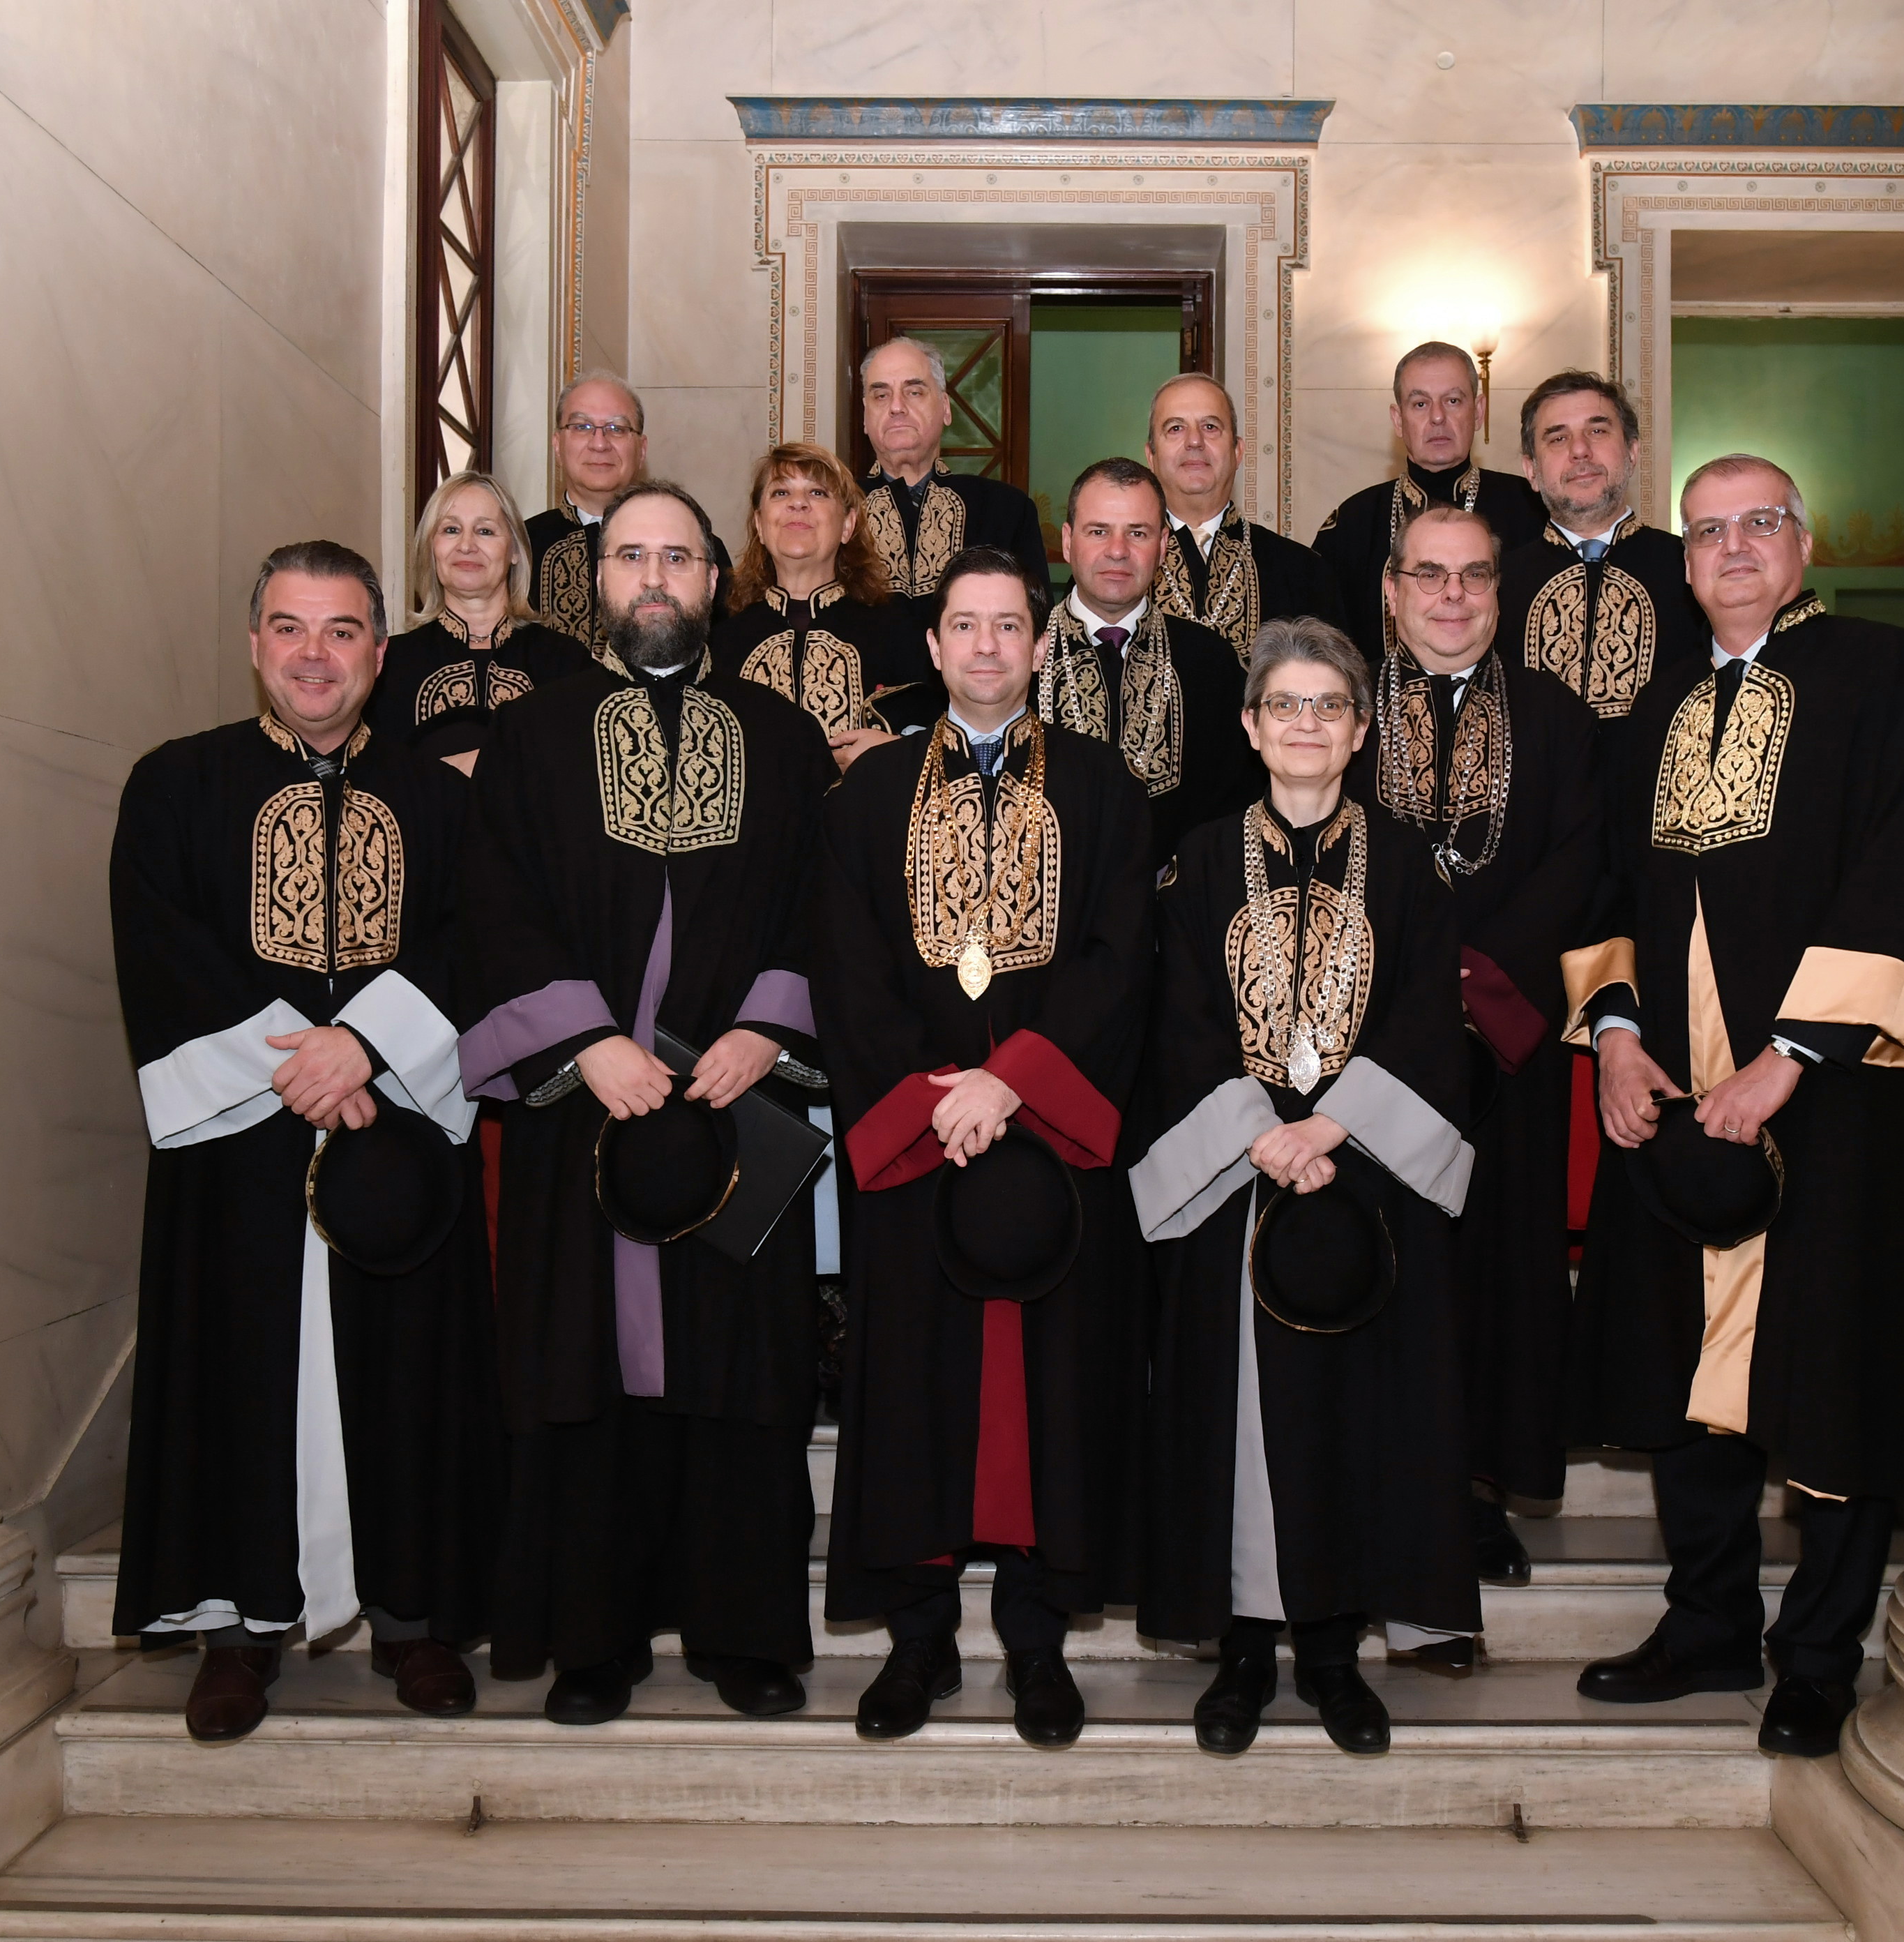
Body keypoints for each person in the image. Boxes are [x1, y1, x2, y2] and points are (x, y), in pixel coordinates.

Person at [1562, 453, 1904, 1759]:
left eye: (1759, 524)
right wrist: (1616, 1037)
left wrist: (1792, 1052)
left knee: (1833, 1372)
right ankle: (1707, 1622)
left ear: (1804, 540)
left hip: (1834, 1095)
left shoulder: (1887, 678)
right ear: (1682, 561)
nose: (1733, 548)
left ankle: (1821, 1656)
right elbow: (1604, 885)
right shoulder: (1651, 708)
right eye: (1708, 531)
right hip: (1676, 1092)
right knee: (1683, 1368)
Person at [455, 482, 837, 1728]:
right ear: (597, 579)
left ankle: (745, 1632)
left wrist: (765, 1027)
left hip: (738, 1102)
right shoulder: (532, 735)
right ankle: (595, 1638)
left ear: (716, 577)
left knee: (745, 1370)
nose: (656, 576)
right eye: (632, 556)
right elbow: (493, 901)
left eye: (678, 555)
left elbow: (825, 902)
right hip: (587, 1110)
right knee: (586, 1371)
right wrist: (586, 1041)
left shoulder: (784, 737)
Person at [108, 540, 501, 1742]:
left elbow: (480, 939)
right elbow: (160, 943)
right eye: (289, 628)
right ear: (254, 644)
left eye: (340, 632)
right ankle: (239, 1633)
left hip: (398, 1141)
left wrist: (367, 1046)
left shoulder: (446, 802)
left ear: (380, 653)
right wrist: (303, 1061)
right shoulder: (175, 784)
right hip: (240, 1147)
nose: (314, 655)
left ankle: (414, 1618)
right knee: (234, 1369)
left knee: (413, 1372)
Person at [812, 545, 1156, 1751]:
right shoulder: (866, 797)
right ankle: (917, 1639)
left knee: (1053, 1390)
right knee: (912, 1387)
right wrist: (934, 1098)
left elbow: (1121, 958)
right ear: (933, 645)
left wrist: (1013, 1083)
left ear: (1042, 644)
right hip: (919, 1150)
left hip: (1050, 1146)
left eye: (1010, 625)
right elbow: (846, 965)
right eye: (965, 625)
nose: (988, 646)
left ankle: (1037, 1639)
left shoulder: (1107, 789)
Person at [1132, 617, 1481, 1758]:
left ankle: (1332, 1654)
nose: (1306, 724)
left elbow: (1429, 1017)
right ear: (1249, 725)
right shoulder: (1191, 864)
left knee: (1358, 1416)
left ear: (1361, 728)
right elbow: (1178, 1023)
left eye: (1329, 706)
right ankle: (1242, 1653)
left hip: (1363, 1186)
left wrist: (1332, 1125)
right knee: (1235, 1424)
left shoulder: (1414, 869)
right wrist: (1262, 1135)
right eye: (1284, 704)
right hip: (1236, 1187)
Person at [1349, 505, 1604, 1590]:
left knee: (1496, 1277)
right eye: (1429, 575)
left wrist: (1474, 987)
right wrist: (1408, 994)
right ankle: (1369, 1487)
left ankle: (1478, 1495)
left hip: (1510, 1051)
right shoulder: (1338, 709)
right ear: (1392, 591)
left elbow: (1580, 866)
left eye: (1473, 577)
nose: (1451, 596)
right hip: (1366, 1046)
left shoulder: (1558, 718)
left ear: (1501, 592)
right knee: (1383, 1263)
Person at [1034, 458, 1260, 868]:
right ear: (1068, 542)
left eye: (1137, 533)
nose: (1117, 551)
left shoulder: (1210, 661)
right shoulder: (1018, 657)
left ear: (1163, 546)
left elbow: (1234, 807)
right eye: (1098, 531)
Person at [711, 441, 942, 771]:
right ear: (760, 525)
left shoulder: (901, 633)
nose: (798, 503)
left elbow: (955, 737)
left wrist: (896, 751)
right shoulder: (720, 645)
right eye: (781, 493)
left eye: (817, 493)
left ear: (848, 525)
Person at [1313, 343, 1546, 661]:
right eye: (1420, 404)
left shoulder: (1532, 510)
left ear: (1479, 412)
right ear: (1398, 420)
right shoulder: (1350, 526)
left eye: (1453, 401)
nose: (1438, 417)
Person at [1498, 372, 1707, 722]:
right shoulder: (1495, 584)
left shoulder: (1691, 566)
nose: (1580, 450)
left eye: (1597, 431)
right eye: (1558, 438)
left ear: (1632, 452)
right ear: (1531, 470)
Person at [371, 469, 583, 771]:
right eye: (451, 530)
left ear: (514, 551)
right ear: (431, 549)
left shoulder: (566, 662)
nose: (467, 545)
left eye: (485, 531)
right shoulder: (388, 664)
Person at [857, 336, 1052, 638]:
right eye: (881, 395)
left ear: (946, 408)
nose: (896, 407)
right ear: (865, 417)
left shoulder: (1006, 510)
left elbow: (1035, 629)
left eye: (914, 392)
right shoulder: (833, 510)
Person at [526, 372, 730, 659]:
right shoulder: (521, 546)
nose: (599, 444)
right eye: (582, 427)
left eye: (617, 429)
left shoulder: (697, 547)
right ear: (558, 445)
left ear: (642, 449)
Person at [1142, 372, 1343, 661]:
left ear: (1237, 451)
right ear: (1151, 455)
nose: (1195, 441)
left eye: (1210, 427)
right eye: (1175, 428)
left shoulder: (1303, 572)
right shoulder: (1116, 566)